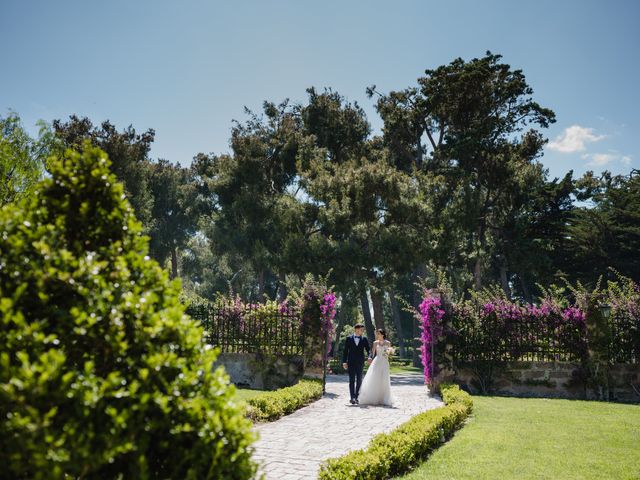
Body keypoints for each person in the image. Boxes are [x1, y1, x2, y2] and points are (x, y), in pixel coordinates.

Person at [358, 329, 394, 406]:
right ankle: (373, 397)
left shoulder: (388, 343)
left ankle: (384, 398)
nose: (377, 335)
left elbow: (389, 353)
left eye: (379, 334)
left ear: (383, 334)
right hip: (377, 361)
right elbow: (372, 353)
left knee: (384, 379)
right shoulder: (375, 343)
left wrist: (389, 354)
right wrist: (370, 358)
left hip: (384, 362)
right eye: (377, 334)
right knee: (375, 378)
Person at [341, 323, 371, 405]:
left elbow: (368, 350)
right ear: (357, 329)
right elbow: (345, 351)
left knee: (359, 380)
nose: (363, 331)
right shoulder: (348, 338)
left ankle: (357, 397)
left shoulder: (364, 339)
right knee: (351, 380)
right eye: (362, 329)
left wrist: (369, 356)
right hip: (351, 362)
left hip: (360, 362)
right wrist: (344, 361)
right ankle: (352, 397)